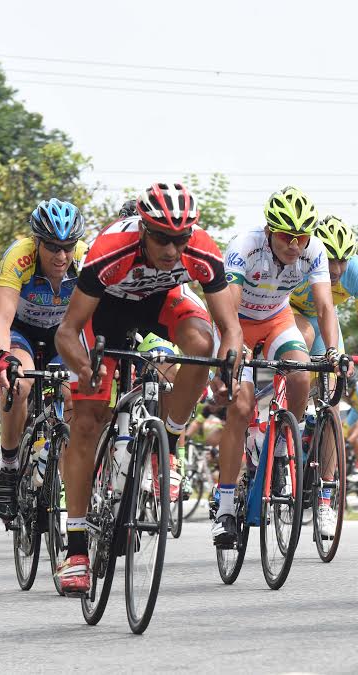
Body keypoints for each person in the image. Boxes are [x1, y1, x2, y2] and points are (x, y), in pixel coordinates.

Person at [55, 182, 242, 594]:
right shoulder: (111, 248)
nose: (172, 250)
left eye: (180, 239)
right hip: (104, 310)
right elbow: (67, 331)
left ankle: (168, 443)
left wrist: (228, 365)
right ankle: (77, 549)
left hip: (161, 300)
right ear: (142, 229)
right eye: (161, 238)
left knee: (202, 344)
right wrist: (84, 369)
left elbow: (231, 329)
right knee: (87, 421)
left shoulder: (202, 249)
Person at [214, 186, 343, 545]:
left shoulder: (313, 251)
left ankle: (284, 447)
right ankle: (224, 509)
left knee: (302, 371)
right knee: (239, 407)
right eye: (287, 236)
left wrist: (331, 352)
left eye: (301, 237)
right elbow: (232, 312)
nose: (295, 245)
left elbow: (325, 307)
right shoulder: (245, 246)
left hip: (275, 318)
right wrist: (233, 358)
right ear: (270, 231)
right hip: (235, 320)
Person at [0, 198, 87, 523]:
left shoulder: (84, 259)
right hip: (21, 332)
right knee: (19, 384)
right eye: (53, 248)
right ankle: (8, 464)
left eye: (67, 247)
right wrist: (3, 358)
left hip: (62, 333)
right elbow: (0, 319)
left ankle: (67, 481)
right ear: (37, 242)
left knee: (76, 394)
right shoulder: (20, 256)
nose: (61, 256)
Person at [290, 214, 358, 479]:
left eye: (342, 260)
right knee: (305, 335)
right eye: (330, 259)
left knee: (331, 400)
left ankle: (327, 491)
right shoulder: (298, 261)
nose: (336, 269)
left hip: (326, 323)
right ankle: (287, 431)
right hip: (289, 316)